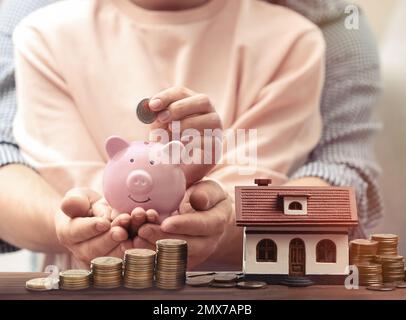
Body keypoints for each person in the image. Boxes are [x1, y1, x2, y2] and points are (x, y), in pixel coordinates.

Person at [0, 0, 382, 270]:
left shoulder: (296, 40)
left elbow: (268, 189)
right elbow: (68, 190)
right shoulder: (41, 33)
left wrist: (217, 213)